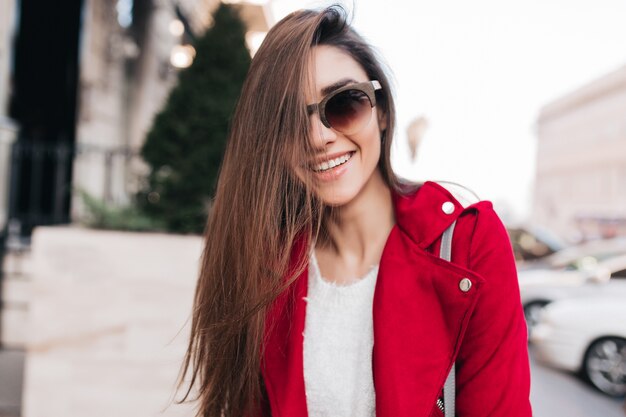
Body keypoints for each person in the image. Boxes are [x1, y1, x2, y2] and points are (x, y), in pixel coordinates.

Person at [177, 5, 532, 417]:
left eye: (343, 103)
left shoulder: (469, 242)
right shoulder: (266, 261)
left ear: (380, 110)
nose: (318, 136)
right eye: (287, 119)